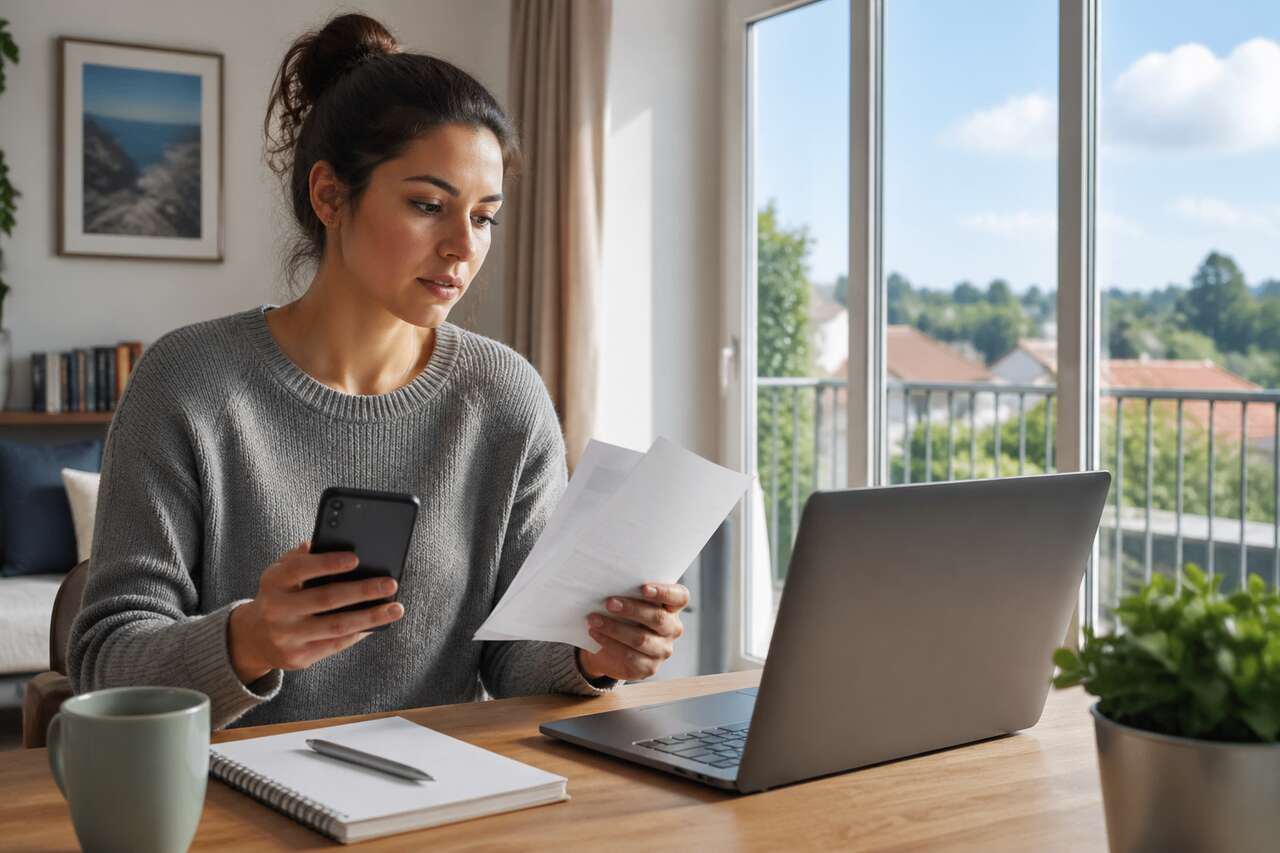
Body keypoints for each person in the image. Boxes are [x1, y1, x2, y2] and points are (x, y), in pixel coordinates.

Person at [68, 12, 688, 730]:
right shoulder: (189, 381)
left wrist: (596, 651)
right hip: (230, 809)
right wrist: (250, 639)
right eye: (429, 205)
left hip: (439, 801)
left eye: (485, 217)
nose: (463, 247)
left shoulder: (505, 397)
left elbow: (512, 658)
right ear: (330, 195)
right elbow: (105, 661)